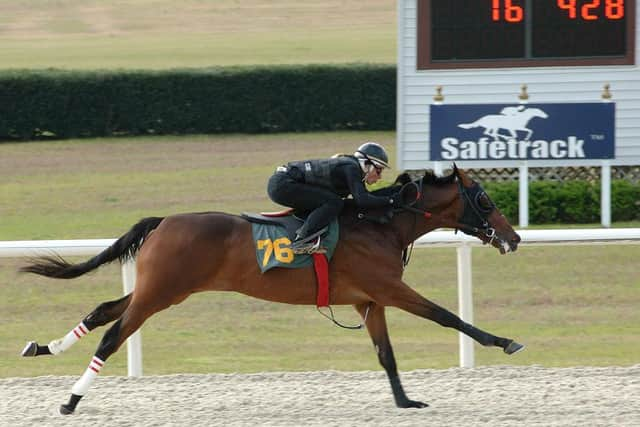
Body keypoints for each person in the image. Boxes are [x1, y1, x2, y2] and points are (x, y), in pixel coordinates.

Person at [267, 142, 401, 253]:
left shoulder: (351, 166)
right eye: (379, 170)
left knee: (332, 201)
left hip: (283, 182)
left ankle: (306, 233)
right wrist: (391, 200)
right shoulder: (351, 168)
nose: (380, 176)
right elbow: (363, 200)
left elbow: (363, 197)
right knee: (333, 202)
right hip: (283, 184)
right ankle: (301, 241)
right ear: (367, 164)